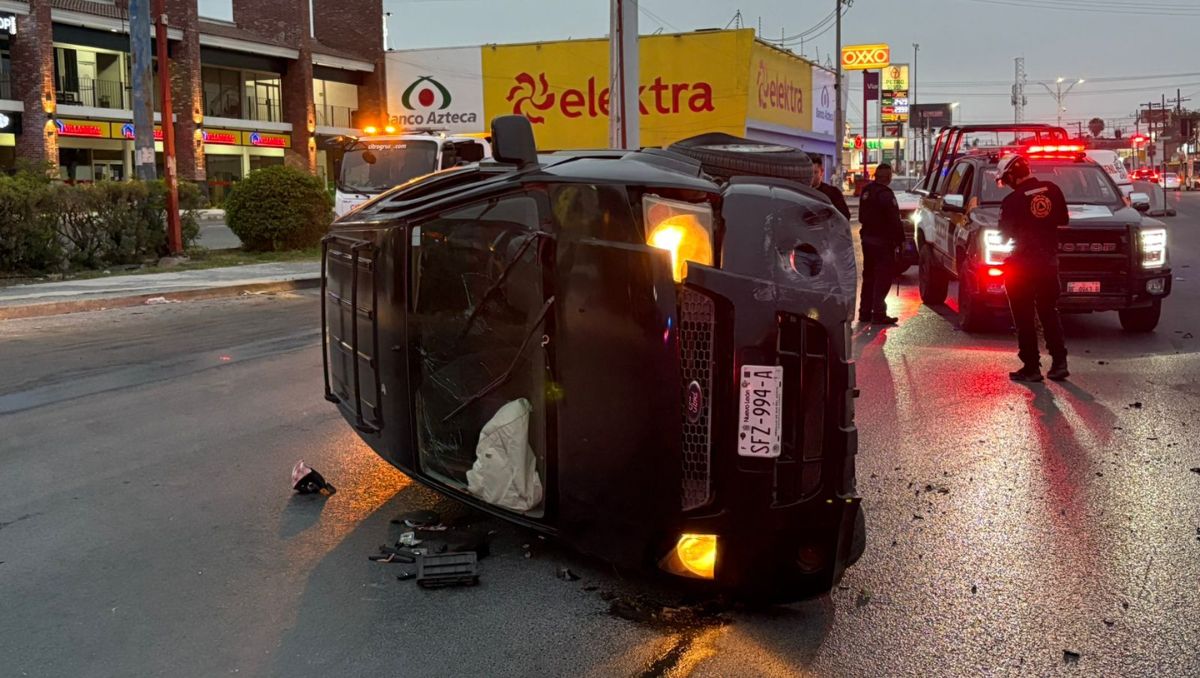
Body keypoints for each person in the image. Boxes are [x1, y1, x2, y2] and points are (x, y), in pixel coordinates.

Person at [995, 153, 1070, 382]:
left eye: (1005, 179)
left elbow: (1004, 237)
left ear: (1010, 175)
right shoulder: (1053, 190)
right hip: (1048, 263)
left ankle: (1031, 367)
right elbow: (1063, 219)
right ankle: (1059, 363)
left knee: (1024, 316)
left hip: (1021, 266)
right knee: (1049, 311)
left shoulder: (1012, 201)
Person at [857, 164, 905, 324]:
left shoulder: (866, 191)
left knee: (869, 276)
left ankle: (864, 312)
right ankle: (878, 313)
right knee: (883, 277)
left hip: (867, 240)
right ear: (888, 178)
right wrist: (900, 241)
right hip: (883, 243)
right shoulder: (886, 194)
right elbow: (894, 221)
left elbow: (861, 217)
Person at [809, 155, 851, 220]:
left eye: (815, 172)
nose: (812, 176)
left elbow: (844, 216)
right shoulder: (799, 191)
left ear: (821, 172)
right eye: (809, 172)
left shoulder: (833, 193)